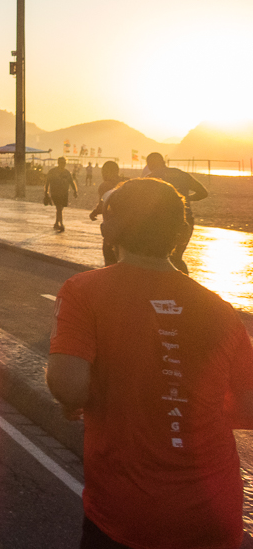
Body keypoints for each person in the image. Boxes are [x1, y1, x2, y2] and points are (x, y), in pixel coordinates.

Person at [46, 178, 253, 549]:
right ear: (183, 231)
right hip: (215, 515)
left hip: (129, 516)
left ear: (110, 228)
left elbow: (68, 385)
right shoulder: (219, 309)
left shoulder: (84, 290)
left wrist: (88, 396)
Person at [143, 152, 208, 274]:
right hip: (186, 221)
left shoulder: (151, 178)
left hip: (163, 224)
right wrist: (186, 199)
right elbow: (203, 193)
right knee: (177, 258)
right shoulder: (181, 174)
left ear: (150, 164)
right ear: (163, 162)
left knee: (160, 259)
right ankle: (186, 287)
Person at [89, 161, 127, 266]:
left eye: (103, 172)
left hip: (112, 228)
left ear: (108, 172)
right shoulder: (127, 183)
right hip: (128, 229)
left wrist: (94, 212)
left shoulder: (105, 185)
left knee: (110, 261)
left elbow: (103, 205)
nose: (103, 175)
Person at [44, 156, 79, 233]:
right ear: (58, 163)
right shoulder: (52, 171)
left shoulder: (67, 172)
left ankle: (56, 223)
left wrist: (75, 191)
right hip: (55, 193)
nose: (63, 164)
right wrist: (46, 192)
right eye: (62, 163)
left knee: (60, 208)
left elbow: (71, 182)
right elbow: (47, 183)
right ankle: (61, 224)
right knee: (59, 208)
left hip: (64, 193)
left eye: (64, 163)